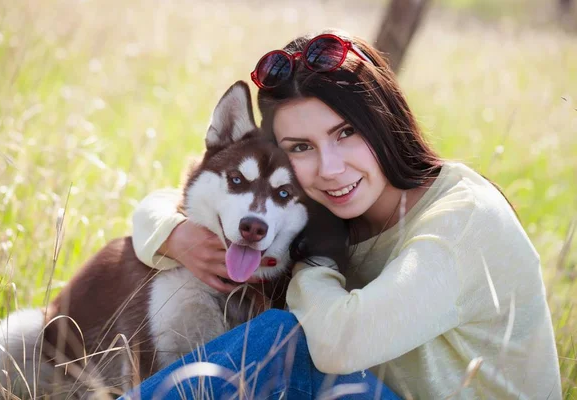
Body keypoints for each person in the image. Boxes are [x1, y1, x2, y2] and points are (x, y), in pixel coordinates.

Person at [125, 30, 562, 399]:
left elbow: (338, 346)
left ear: (385, 119)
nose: (331, 168)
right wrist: (174, 233)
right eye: (300, 147)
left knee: (285, 341)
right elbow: (166, 197)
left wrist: (317, 259)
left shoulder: (463, 217)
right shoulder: (332, 205)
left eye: (345, 133)